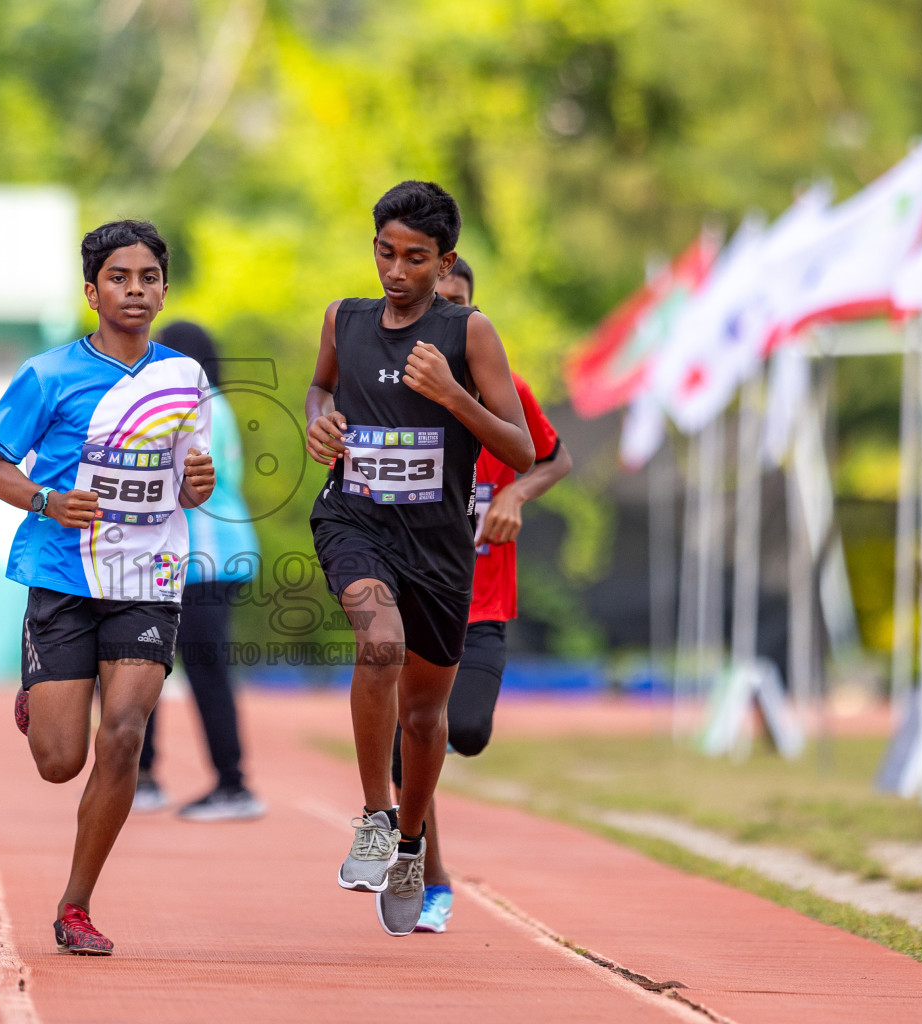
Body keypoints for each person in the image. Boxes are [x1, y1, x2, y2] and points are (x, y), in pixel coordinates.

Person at [0, 220, 214, 956]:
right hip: (64, 572)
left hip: (150, 574)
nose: (134, 290)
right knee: (59, 760)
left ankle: (75, 906)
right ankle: (40, 689)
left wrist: (199, 484)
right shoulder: (48, 376)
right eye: (119, 278)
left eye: (147, 278)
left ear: (163, 289)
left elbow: (192, 483)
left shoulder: (186, 380)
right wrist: (47, 500)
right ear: (92, 291)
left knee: (125, 735)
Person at [305, 181, 535, 936]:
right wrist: (321, 423)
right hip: (356, 521)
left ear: (446, 262)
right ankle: (376, 815)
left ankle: (411, 845)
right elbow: (319, 388)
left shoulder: (470, 333)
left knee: (427, 713)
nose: (396, 272)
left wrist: (453, 396)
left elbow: (520, 447)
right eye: (385, 253)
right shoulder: (345, 319)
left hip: (438, 543)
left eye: (415, 259)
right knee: (379, 643)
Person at [394, 258, 572, 933]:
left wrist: (514, 493)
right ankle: (430, 876)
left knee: (461, 730)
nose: (443, 317)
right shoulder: (393, 390)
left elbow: (554, 456)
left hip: (482, 601)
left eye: (457, 305)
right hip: (411, 595)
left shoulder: (506, 391)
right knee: (413, 734)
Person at [134, 321, 266, 821]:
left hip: (202, 557)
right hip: (216, 554)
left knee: (168, 665)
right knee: (158, 664)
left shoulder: (193, 405)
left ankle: (230, 784)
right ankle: (149, 774)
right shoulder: (217, 404)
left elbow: (186, 480)